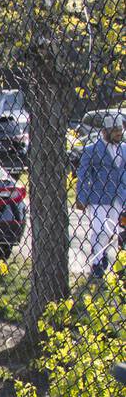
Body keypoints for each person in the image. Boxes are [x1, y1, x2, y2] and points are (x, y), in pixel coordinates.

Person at [75, 111, 126, 278]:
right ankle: (98, 264)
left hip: (122, 196)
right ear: (104, 131)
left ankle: (121, 267)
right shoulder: (91, 150)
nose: (119, 133)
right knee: (100, 231)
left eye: (120, 129)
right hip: (100, 198)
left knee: (122, 232)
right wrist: (82, 197)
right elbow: (83, 175)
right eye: (115, 130)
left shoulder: (124, 148)